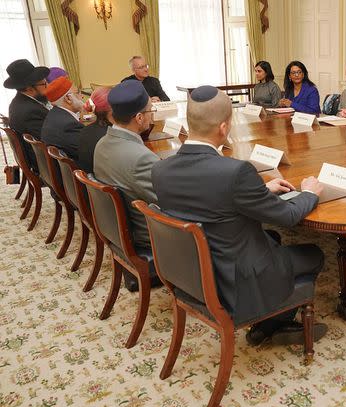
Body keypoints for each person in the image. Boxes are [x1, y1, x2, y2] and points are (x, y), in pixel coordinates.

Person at [152, 85, 328, 346]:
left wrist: (259, 190)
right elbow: (288, 216)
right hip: (233, 278)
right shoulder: (235, 173)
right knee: (314, 254)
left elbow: (210, 198)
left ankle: (268, 324)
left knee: (273, 238)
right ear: (224, 127)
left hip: (192, 270)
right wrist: (309, 193)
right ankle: (273, 323)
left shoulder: (161, 170)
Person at [93, 80, 158, 268]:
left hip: (118, 230)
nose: (151, 116)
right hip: (148, 236)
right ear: (139, 118)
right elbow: (169, 204)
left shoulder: (102, 144)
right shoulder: (141, 158)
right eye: (150, 111)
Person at [4, 59, 51, 171]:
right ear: (29, 89)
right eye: (44, 84)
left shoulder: (19, 102)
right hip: (45, 166)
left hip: (38, 158)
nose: (48, 86)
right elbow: (50, 140)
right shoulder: (30, 111)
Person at [40, 76, 85, 161]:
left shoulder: (54, 115)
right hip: (76, 171)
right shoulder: (69, 126)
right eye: (78, 93)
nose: (82, 96)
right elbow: (89, 153)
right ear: (68, 98)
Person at [77, 87, 112, 173]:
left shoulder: (85, 130)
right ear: (112, 108)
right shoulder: (109, 137)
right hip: (104, 184)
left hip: (91, 182)